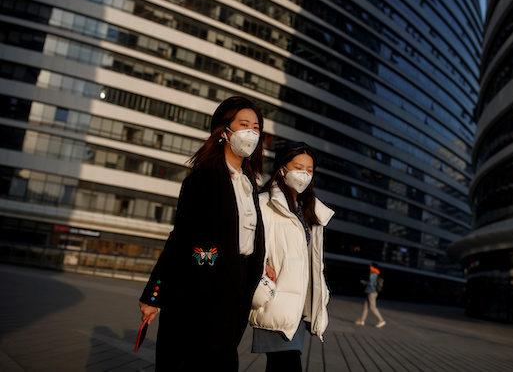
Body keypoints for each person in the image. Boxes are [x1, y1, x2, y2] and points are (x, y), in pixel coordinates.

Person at [138, 96, 266, 371]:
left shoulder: (249, 184)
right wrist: (153, 295)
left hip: (237, 288)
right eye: (244, 125)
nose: (251, 133)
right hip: (202, 289)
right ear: (224, 131)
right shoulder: (203, 179)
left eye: (256, 128)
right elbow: (180, 239)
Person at [249, 142, 334, 372]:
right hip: (275, 300)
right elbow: (251, 244)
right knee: (286, 364)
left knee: (280, 365)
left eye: (309, 170)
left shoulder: (307, 208)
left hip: (298, 305)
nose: (304, 174)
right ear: (282, 169)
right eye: (298, 167)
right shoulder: (265, 203)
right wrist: (262, 264)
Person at [355, 262, 386, 328]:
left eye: (370, 265)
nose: (369, 266)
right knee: (366, 307)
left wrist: (364, 282)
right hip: (371, 292)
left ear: (373, 266)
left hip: (372, 292)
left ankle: (381, 320)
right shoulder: (376, 273)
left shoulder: (373, 273)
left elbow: (371, 283)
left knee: (372, 307)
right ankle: (362, 320)